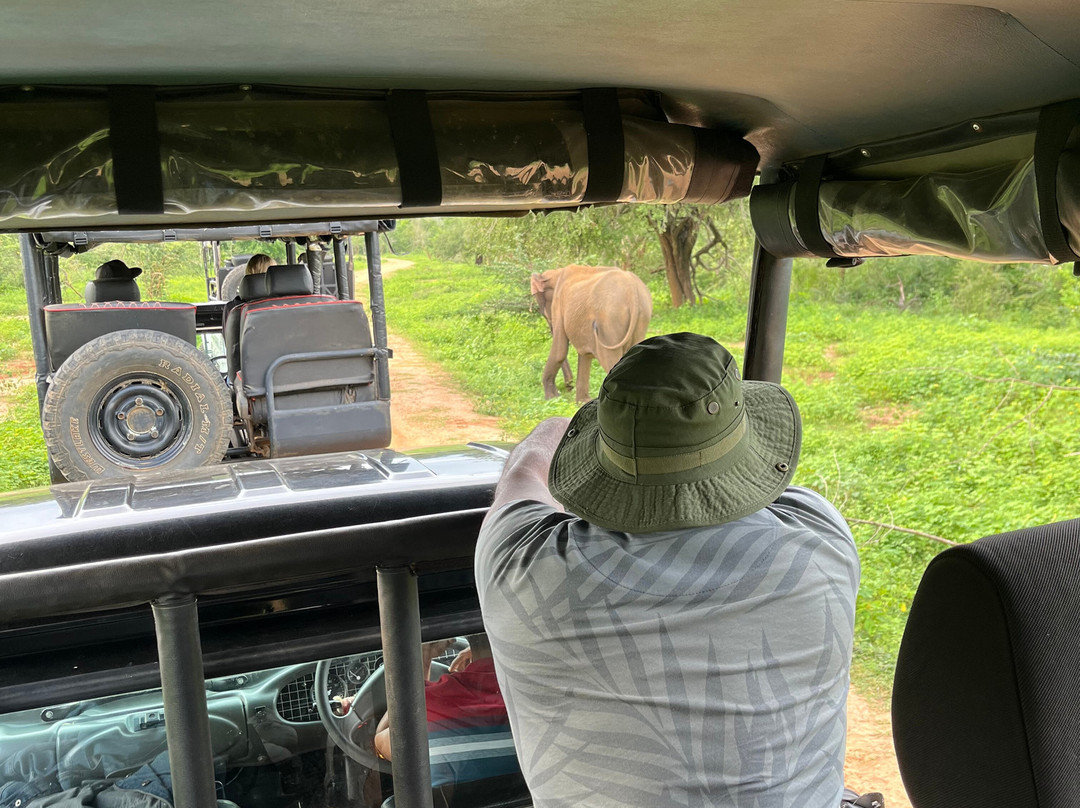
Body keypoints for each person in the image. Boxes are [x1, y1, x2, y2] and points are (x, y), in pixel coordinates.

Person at [475, 332, 860, 808]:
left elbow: (525, 472)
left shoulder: (520, 563)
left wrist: (563, 424)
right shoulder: (820, 537)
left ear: (603, 455)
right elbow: (775, 496)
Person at [372, 635, 521, 789]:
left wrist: (423, 656)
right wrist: (490, 649)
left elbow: (381, 740)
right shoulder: (532, 697)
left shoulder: (425, 707)